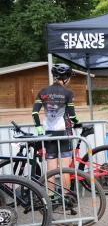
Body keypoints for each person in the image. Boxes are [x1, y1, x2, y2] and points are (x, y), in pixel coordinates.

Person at [32, 63, 82, 194]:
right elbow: (72, 115)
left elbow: (34, 113)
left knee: (51, 169)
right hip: (65, 133)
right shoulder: (68, 92)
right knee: (65, 168)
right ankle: (66, 198)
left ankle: (51, 198)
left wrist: (39, 131)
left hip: (49, 134)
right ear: (65, 78)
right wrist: (78, 123)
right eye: (69, 77)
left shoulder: (43, 92)